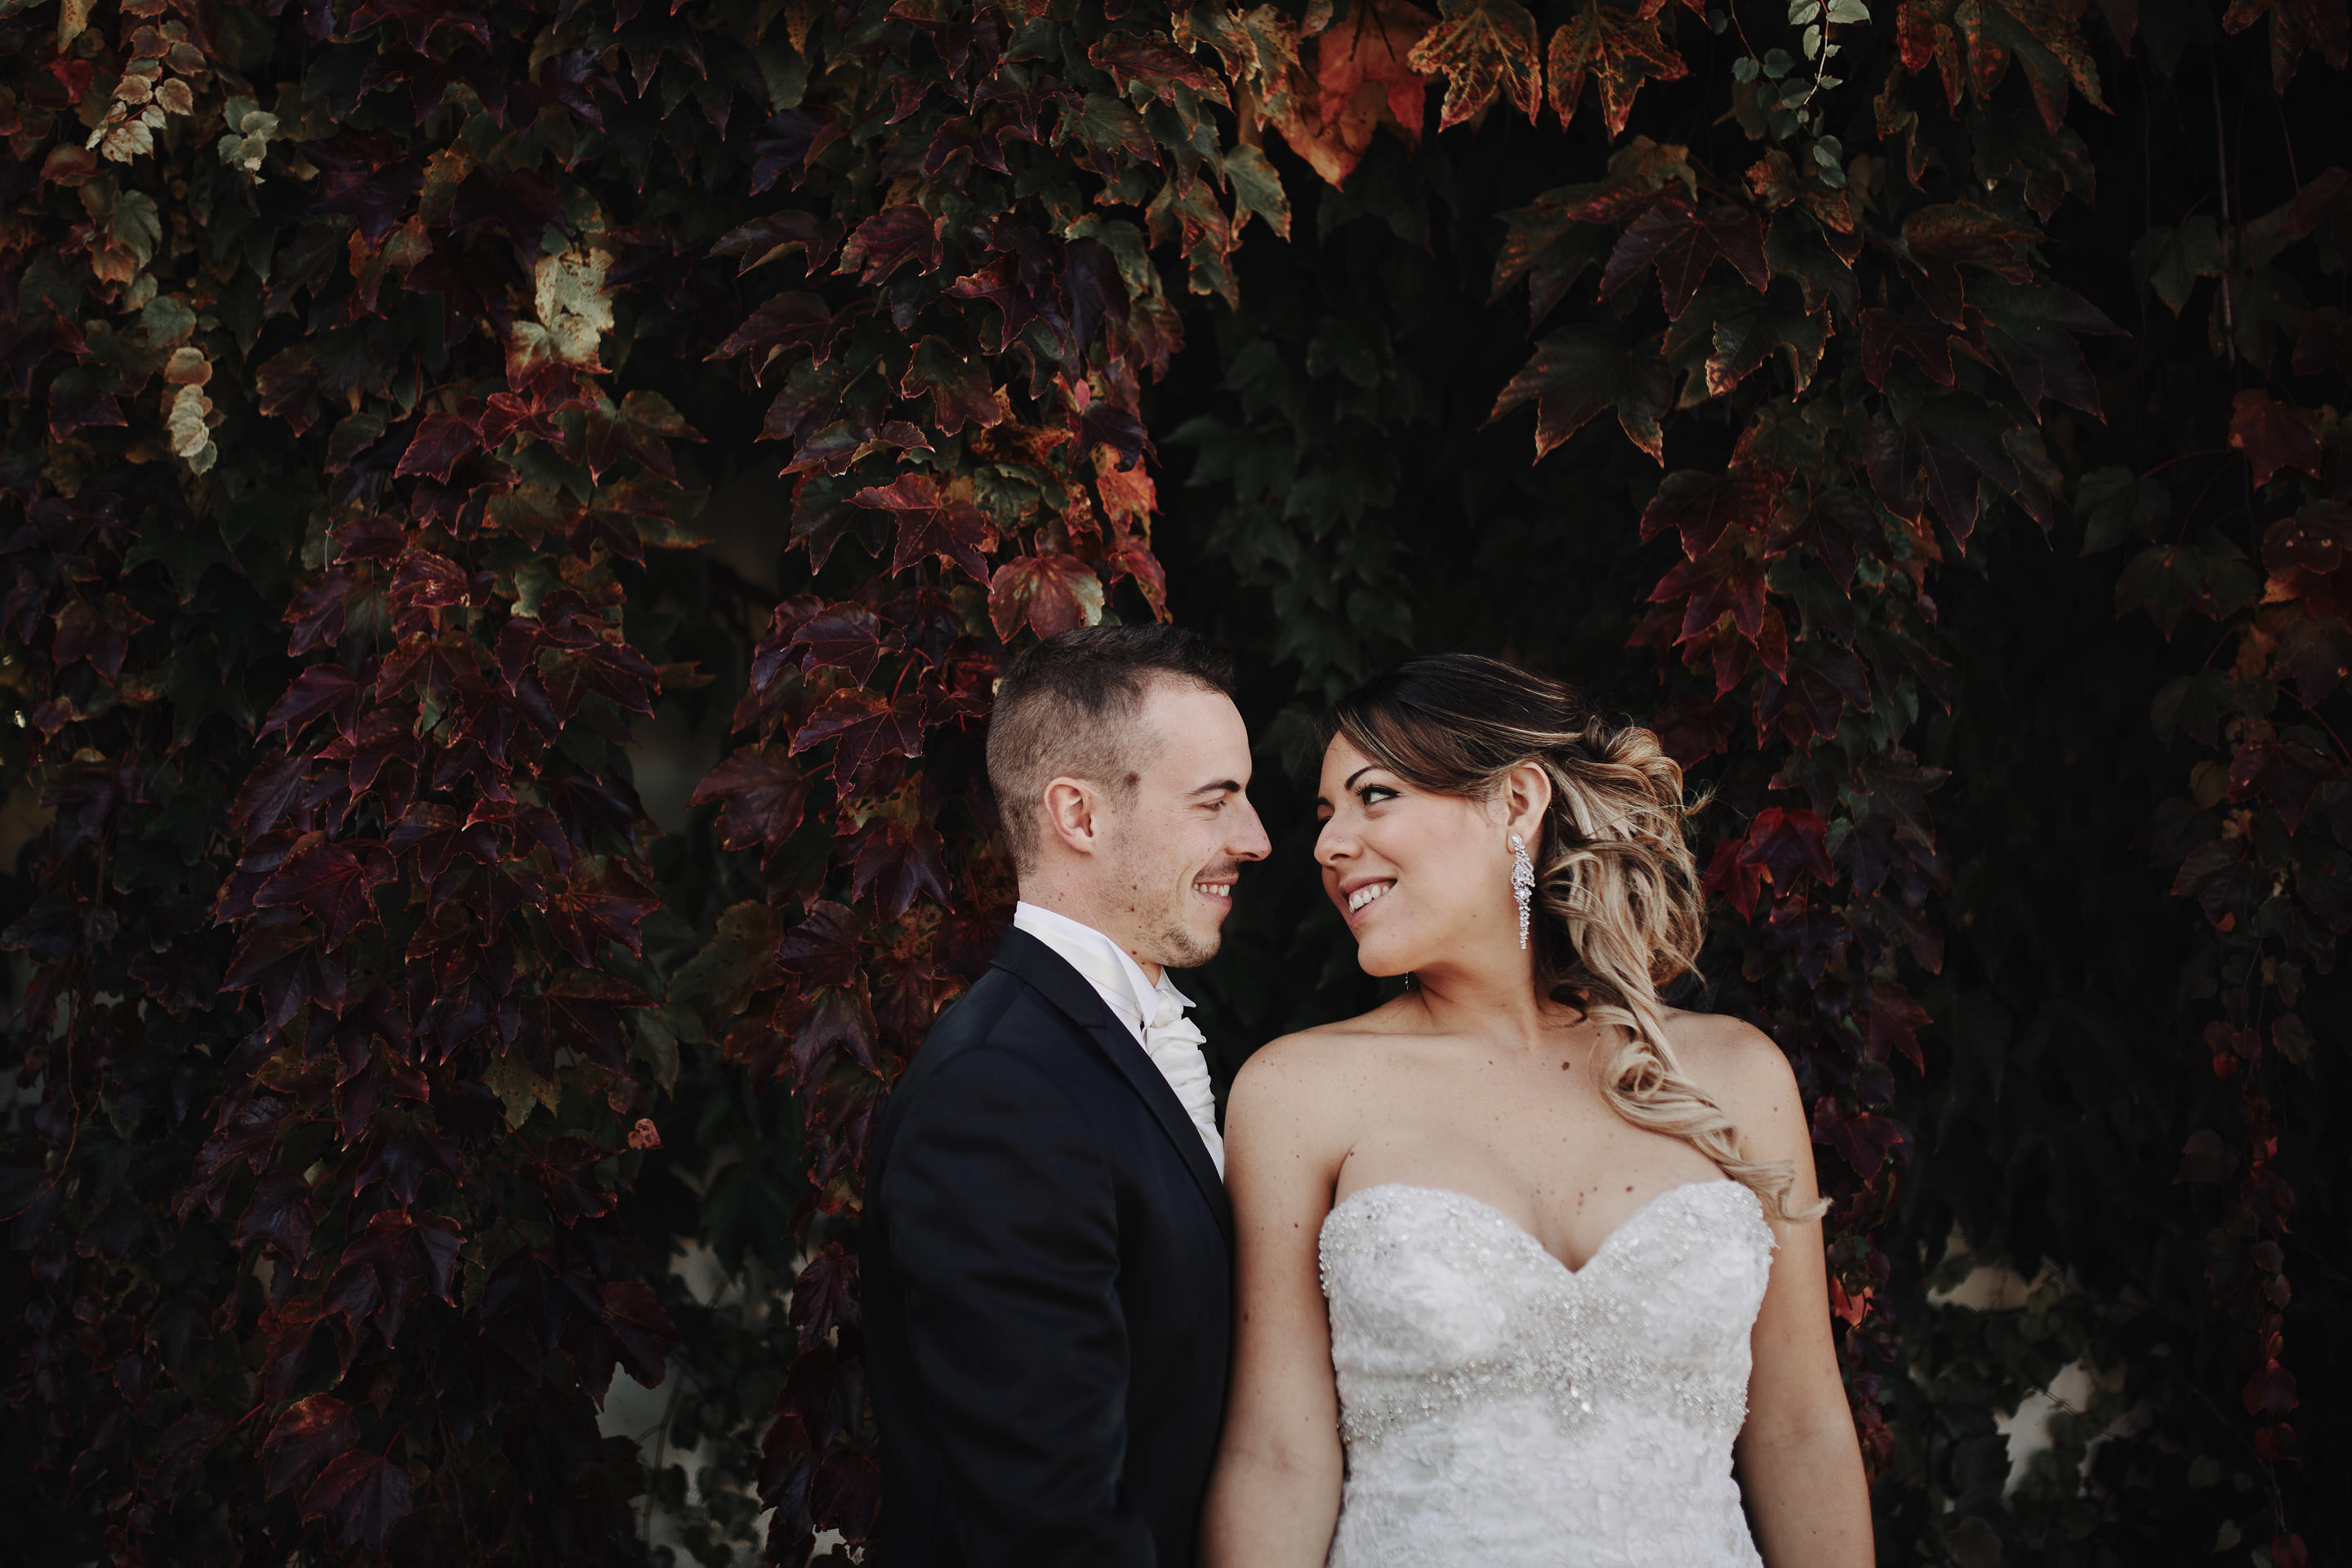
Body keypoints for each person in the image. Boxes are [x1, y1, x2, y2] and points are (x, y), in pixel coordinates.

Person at [1200, 653, 1873, 1567]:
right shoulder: (1298, 1094)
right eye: (1325, 817)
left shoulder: (1734, 1077)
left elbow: (1802, 1432)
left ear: (1517, 804)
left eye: (1374, 797)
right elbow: (1277, 1457)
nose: (1327, 846)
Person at [862, 624, 1271, 1566]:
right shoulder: (1000, 1093)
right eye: (1216, 802)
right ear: (1079, 817)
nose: (1254, 840)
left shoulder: (1101, 1047)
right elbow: (1048, 1518)